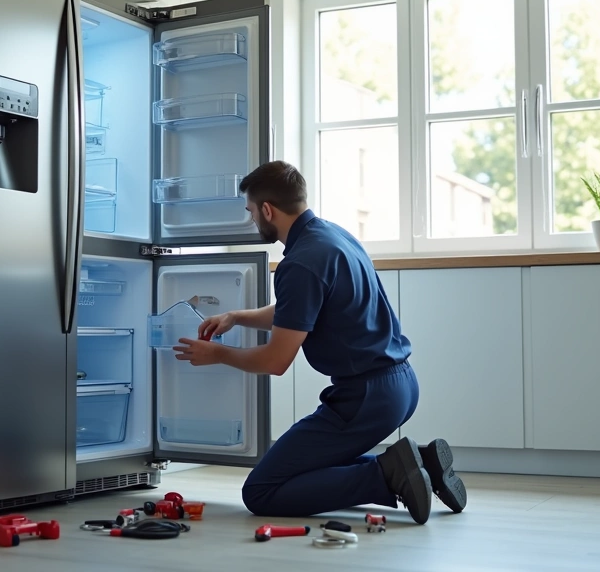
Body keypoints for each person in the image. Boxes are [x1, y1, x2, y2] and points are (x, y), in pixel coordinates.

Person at [172, 161, 467, 524]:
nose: (252, 221)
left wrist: (217, 354)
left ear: (267, 210)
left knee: (262, 490)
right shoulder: (331, 235)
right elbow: (300, 311)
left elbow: (275, 361)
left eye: (251, 212)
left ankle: (386, 475)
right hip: (400, 385)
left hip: (365, 399)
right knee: (308, 464)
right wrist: (237, 316)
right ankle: (420, 464)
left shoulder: (300, 263)